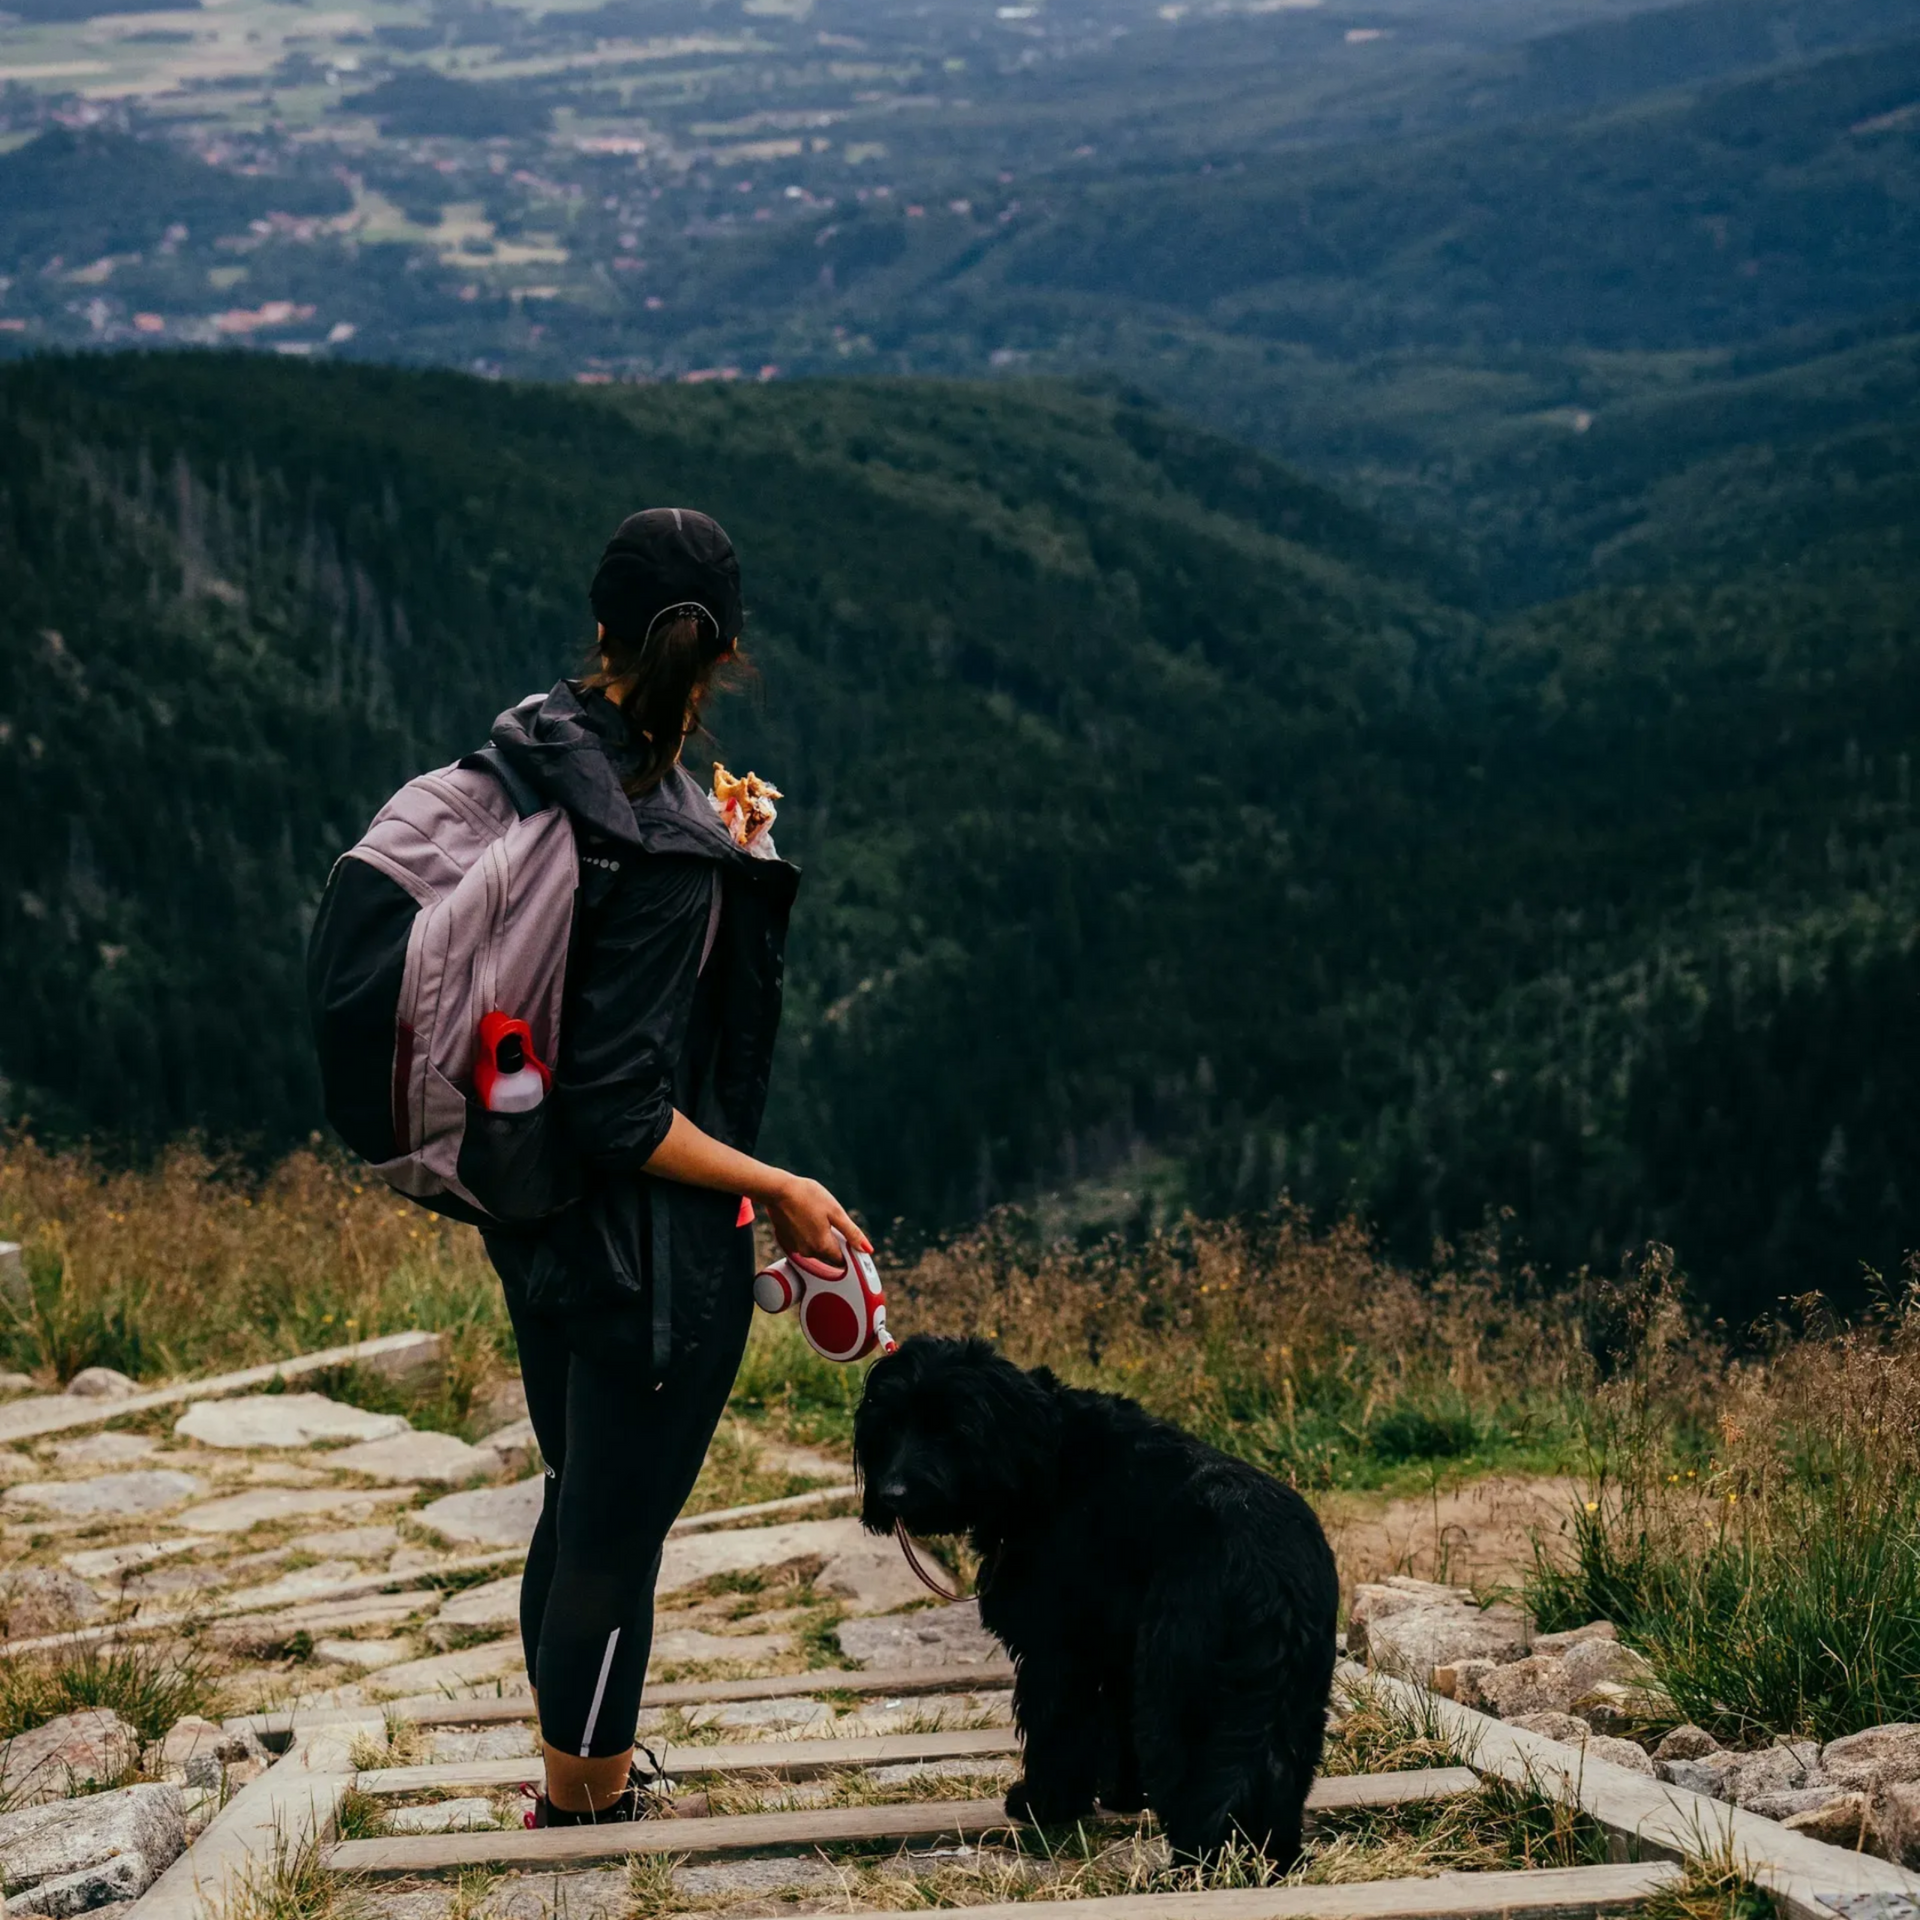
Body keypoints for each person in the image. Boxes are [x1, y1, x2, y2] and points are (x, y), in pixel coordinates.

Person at [479, 507, 868, 1827]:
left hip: (535, 1211)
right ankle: (585, 1809)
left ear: (600, 629)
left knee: (577, 1495)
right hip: (645, 1250)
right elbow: (622, 1105)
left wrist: (726, 848)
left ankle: (570, 1775)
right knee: (614, 1532)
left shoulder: (543, 750)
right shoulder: (663, 839)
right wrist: (780, 1186)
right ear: (724, 658)